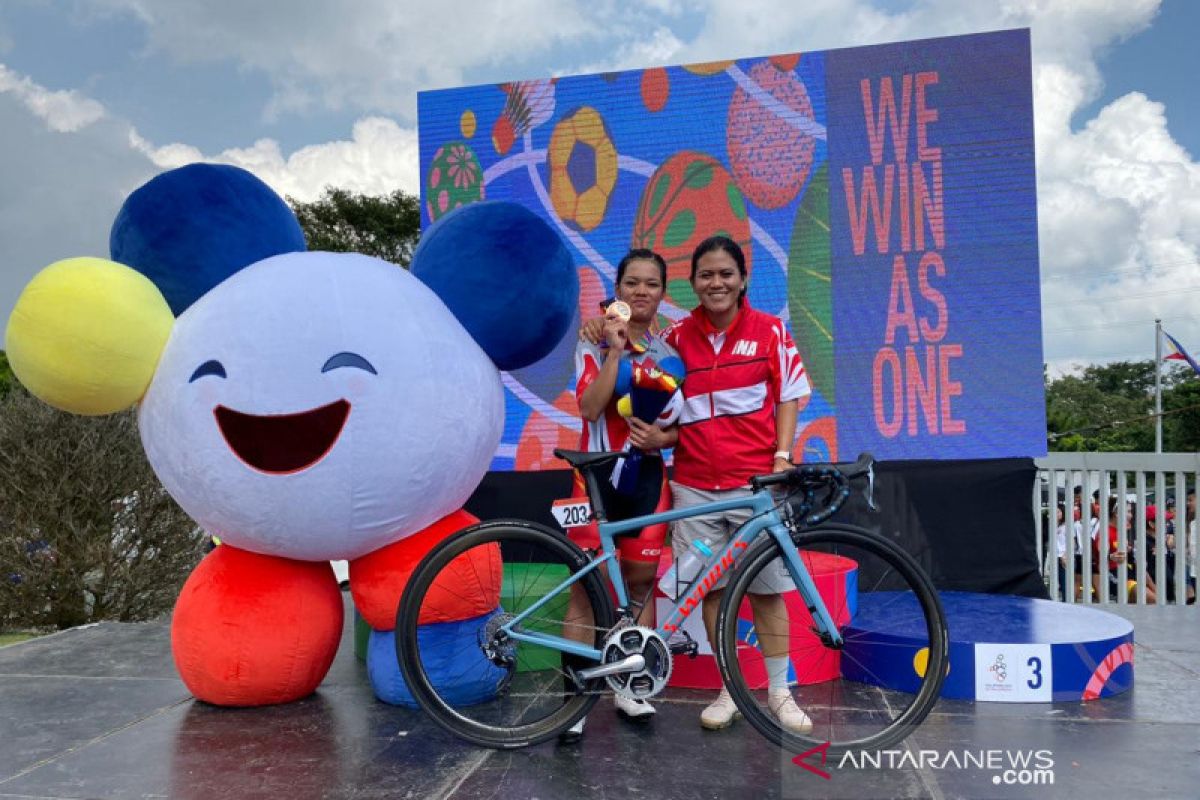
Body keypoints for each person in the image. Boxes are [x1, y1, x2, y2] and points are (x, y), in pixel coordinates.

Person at [660, 235, 812, 733]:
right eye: (706, 274)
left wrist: (783, 456)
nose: (716, 282)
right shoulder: (678, 336)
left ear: (743, 278)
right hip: (694, 489)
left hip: (756, 488)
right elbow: (649, 383)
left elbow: (790, 395)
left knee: (767, 592)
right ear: (693, 283)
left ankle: (779, 693)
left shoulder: (770, 331)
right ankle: (731, 689)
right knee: (713, 591)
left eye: (726, 273)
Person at [559, 248, 681, 742]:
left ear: (661, 292)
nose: (641, 291)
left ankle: (633, 687)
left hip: (647, 479)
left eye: (651, 283)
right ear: (618, 287)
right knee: (583, 594)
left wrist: (663, 440)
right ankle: (575, 698)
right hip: (592, 481)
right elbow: (590, 409)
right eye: (632, 282)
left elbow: (683, 423)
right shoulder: (592, 337)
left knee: (639, 586)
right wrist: (613, 349)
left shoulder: (670, 344)